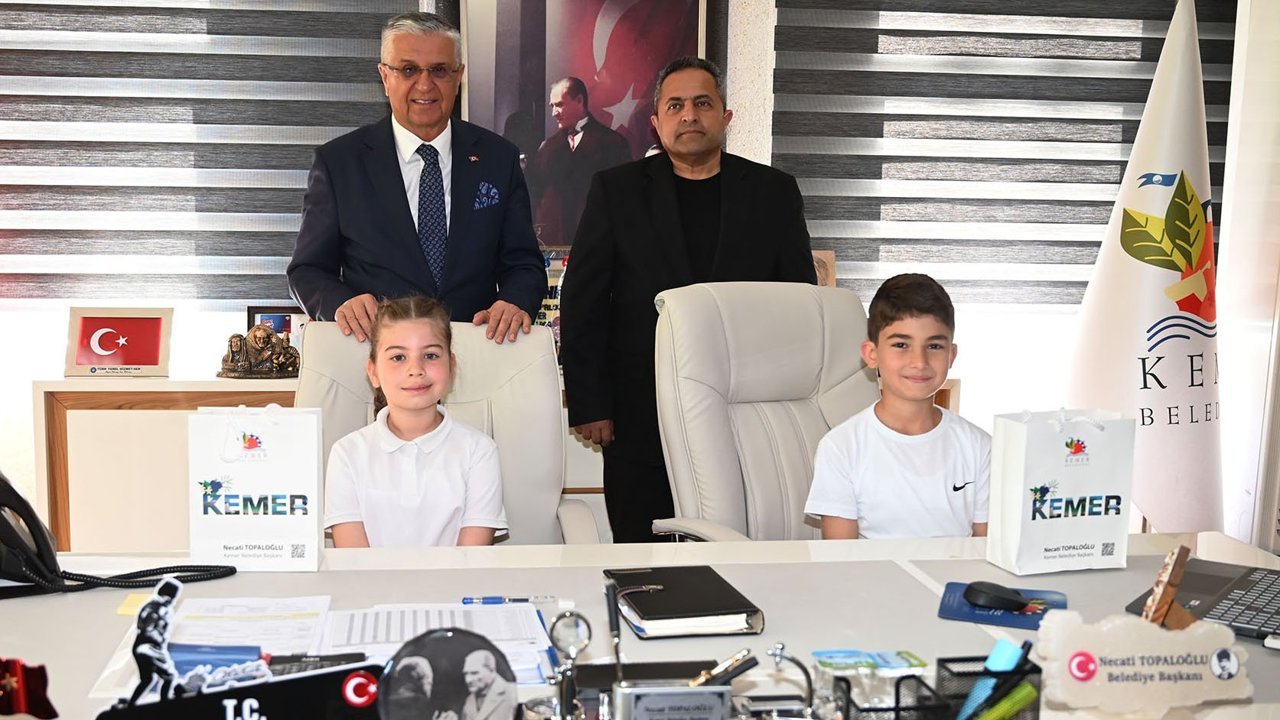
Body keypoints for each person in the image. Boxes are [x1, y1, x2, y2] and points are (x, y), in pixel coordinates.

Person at [559, 57, 817, 543]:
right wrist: (590, 401)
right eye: (675, 106)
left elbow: (799, 306)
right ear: (656, 122)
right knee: (644, 552)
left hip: (747, 409)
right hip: (639, 412)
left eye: (703, 103)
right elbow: (584, 300)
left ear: (726, 116)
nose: (690, 115)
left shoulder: (773, 193)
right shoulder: (616, 191)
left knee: (742, 550)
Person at [287, 12, 546, 345]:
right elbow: (307, 270)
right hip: (376, 356)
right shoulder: (339, 163)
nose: (425, 85)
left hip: (476, 355)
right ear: (385, 76)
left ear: (458, 76)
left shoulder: (499, 159)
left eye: (439, 70)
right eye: (408, 70)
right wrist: (341, 304)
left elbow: (524, 264)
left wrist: (515, 301)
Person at [804, 274, 991, 540]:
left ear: (951, 356)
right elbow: (841, 557)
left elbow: (987, 550)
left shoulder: (980, 447)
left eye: (934, 346)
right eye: (901, 345)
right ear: (872, 354)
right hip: (871, 569)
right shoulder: (841, 447)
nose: (919, 361)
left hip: (958, 569)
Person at [322, 296, 507, 547]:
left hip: (458, 575)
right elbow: (353, 559)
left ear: (451, 366)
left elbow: (471, 558)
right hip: (368, 575)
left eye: (430, 355)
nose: (416, 369)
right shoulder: (347, 453)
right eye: (398, 357)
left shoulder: (479, 451)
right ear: (373, 372)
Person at [526, 77, 631, 247]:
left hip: (599, 243)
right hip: (555, 245)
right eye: (552, 106)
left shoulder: (613, 143)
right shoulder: (547, 148)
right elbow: (533, 194)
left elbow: (625, 199)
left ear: (580, 101)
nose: (554, 113)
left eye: (559, 105)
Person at [461, 650, 515, 720]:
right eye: (466, 674)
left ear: (491, 670)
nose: (468, 680)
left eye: (474, 673)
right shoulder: (469, 701)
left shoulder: (512, 695)